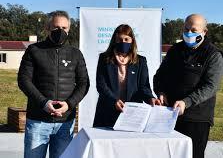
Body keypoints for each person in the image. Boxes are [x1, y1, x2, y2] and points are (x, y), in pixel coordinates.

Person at [18, 10, 90, 158]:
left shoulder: (75, 54)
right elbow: (24, 80)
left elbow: (84, 83)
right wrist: (44, 103)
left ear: (69, 29)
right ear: (47, 28)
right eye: (56, 27)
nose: (60, 31)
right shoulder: (34, 50)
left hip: (65, 123)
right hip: (38, 121)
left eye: (64, 28)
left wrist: (69, 104)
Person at [153, 14, 223, 158]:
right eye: (186, 28)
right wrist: (160, 92)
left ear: (204, 32)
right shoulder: (175, 50)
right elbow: (159, 76)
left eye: (194, 30)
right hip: (169, 115)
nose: (189, 33)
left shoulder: (213, 54)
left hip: (196, 118)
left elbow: (211, 86)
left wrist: (187, 102)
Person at [93, 24, 159, 127]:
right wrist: (114, 101)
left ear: (132, 40)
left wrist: (151, 98)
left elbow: (144, 87)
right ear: (114, 41)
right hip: (107, 111)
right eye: (119, 39)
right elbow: (101, 85)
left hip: (132, 114)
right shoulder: (104, 58)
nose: (123, 42)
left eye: (126, 39)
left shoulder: (141, 61)